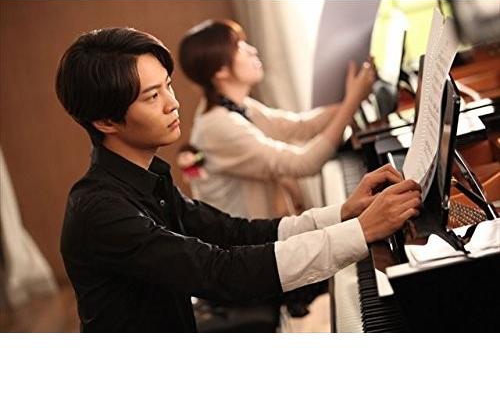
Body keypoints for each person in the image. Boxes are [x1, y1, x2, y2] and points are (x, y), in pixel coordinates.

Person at [55, 27, 421, 332]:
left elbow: (234, 232)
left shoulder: (150, 178)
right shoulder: (101, 212)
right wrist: (360, 231)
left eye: (168, 86)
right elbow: (220, 271)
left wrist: (342, 214)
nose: (173, 104)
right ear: (106, 122)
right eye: (153, 96)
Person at [179, 19, 377, 219]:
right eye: (239, 47)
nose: (252, 50)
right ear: (220, 70)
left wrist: (352, 98)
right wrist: (351, 102)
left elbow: (300, 126)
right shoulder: (218, 126)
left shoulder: (237, 105)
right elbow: (304, 163)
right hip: (245, 237)